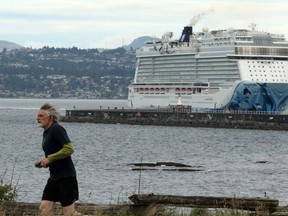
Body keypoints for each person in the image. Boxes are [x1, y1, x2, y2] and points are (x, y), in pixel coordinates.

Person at [36, 103, 81, 216]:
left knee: (69, 213)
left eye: (41, 116)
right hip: (54, 177)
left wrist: (49, 159)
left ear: (50, 118)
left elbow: (69, 149)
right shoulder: (46, 132)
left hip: (66, 177)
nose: (38, 118)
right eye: (38, 116)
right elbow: (55, 153)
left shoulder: (57, 129)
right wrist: (45, 162)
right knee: (44, 208)